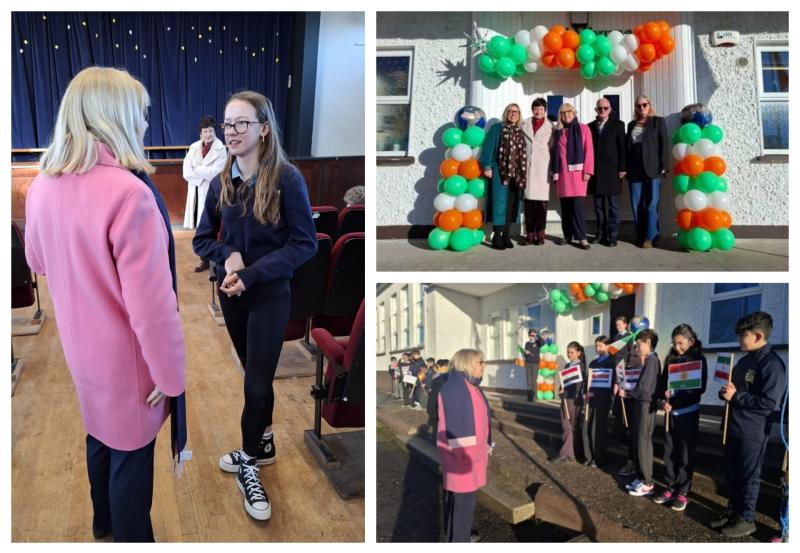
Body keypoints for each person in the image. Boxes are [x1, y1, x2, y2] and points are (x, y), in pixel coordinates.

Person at [24, 66, 186, 542]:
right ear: (115, 116)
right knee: (131, 461)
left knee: (99, 439)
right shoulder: (129, 194)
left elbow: (38, 260)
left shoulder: (42, 186)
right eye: (140, 114)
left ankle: (104, 527)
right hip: (128, 362)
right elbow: (153, 310)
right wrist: (171, 376)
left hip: (81, 351)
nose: (144, 125)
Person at [192, 90, 317, 521]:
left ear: (264, 128)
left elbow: (305, 244)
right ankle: (262, 445)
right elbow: (201, 239)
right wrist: (227, 257)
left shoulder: (287, 178)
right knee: (253, 377)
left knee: (257, 384)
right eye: (228, 124)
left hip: (270, 294)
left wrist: (251, 273)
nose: (232, 131)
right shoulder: (219, 182)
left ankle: (248, 461)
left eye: (241, 123)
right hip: (233, 297)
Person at [712, 312, 786, 537]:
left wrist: (736, 397)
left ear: (758, 335)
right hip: (733, 426)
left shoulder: (772, 364)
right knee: (733, 474)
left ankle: (747, 518)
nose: (739, 340)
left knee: (748, 475)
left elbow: (768, 403)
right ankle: (734, 511)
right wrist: (725, 392)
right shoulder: (744, 360)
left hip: (752, 431)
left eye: (743, 336)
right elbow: (733, 390)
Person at [437, 349, 492, 542]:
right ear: (468, 363)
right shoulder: (456, 388)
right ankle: (459, 540)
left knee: (462, 504)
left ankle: (458, 537)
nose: (483, 365)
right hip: (464, 459)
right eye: (480, 362)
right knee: (464, 506)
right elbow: (458, 428)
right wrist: (467, 457)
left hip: (470, 457)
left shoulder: (469, 385)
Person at [652, 324, 707, 511]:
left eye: (680, 343)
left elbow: (699, 389)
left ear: (691, 341)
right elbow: (661, 386)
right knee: (668, 453)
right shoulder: (671, 359)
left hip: (688, 413)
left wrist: (675, 394)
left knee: (684, 453)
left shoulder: (699, 360)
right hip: (671, 414)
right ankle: (670, 487)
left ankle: (683, 492)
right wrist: (662, 401)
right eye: (674, 343)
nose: (677, 347)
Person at [183, 115, 227, 271]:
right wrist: (201, 176)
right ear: (200, 134)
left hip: (212, 191)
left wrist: (198, 170)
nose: (208, 134)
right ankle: (204, 259)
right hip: (196, 189)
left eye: (211, 131)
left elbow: (217, 172)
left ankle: (214, 259)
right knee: (199, 227)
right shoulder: (194, 147)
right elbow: (186, 172)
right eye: (205, 131)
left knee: (212, 225)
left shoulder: (221, 149)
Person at [625, 95, 670, 248]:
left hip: (653, 167)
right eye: (638, 106)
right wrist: (625, 168)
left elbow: (664, 144)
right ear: (635, 108)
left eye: (644, 105)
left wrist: (664, 166)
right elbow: (628, 148)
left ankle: (651, 237)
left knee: (651, 203)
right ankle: (640, 235)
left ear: (649, 105)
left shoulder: (658, 121)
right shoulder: (631, 125)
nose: (642, 108)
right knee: (636, 203)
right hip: (634, 168)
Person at [620, 328, 660, 497]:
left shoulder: (652, 360)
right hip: (641, 405)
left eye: (640, 344)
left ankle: (648, 482)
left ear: (648, 343)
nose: (638, 347)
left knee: (643, 443)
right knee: (638, 440)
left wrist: (628, 393)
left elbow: (644, 388)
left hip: (645, 405)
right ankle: (641, 477)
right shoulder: (649, 360)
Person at [480, 103, 526, 250]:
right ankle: (497, 236)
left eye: (516, 112)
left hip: (516, 174)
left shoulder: (519, 131)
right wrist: (487, 166)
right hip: (500, 172)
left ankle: (506, 235)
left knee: (511, 205)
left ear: (519, 116)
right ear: (506, 113)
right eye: (511, 111)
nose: (513, 114)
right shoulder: (497, 129)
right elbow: (487, 148)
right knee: (499, 204)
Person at [550, 103, 594, 250]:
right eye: (563, 113)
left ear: (574, 113)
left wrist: (588, 171)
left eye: (569, 111)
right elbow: (553, 153)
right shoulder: (558, 132)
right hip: (562, 175)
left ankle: (582, 237)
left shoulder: (584, 128)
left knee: (578, 208)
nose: (566, 115)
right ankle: (568, 235)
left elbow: (589, 151)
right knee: (566, 208)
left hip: (578, 175)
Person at [587, 98, 626, 247]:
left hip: (613, 172)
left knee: (613, 206)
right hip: (596, 172)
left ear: (610, 109)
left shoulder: (618, 125)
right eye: (599, 108)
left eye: (605, 108)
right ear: (596, 110)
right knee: (598, 206)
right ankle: (600, 233)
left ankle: (613, 234)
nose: (602, 110)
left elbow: (622, 147)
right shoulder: (590, 127)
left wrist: (623, 167)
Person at [521, 98, 554, 245]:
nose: (538, 111)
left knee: (541, 203)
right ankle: (530, 233)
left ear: (545, 110)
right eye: (536, 108)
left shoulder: (551, 127)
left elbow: (553, 147)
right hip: (528, 166)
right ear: (532, 109)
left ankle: (540, 233)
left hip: (543, 166)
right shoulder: (524, 124)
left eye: (541, 109)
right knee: (529, 203)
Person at [582, 336, 616, 467]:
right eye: (596, 346)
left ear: (608, 346)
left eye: (600, 346)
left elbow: (610, 384)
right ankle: (588, 455)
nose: (597, 348)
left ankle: (598, 458)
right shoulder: (593, 363)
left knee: (598, 429)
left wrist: (595, 393)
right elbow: (587, 380)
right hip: (591, 400)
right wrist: (586, 392)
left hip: (602, 400)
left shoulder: (611, 363)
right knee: (586, 427)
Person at [612, 316, 639, 477]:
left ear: (626, 325)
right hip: (618, 369)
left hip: (625, 372)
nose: (617, 326)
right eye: (616, 324)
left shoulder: (630, 337)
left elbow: (630, 355)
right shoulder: (616, 337)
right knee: (617, 402)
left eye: (619, 324)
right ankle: (618, 416)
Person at [550, 341, 586, 463]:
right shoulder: (567, 366)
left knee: (572, 426)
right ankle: (567, 452)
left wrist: (576, 395)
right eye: (568, 352)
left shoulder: (581, 366)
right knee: (566, 425)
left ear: (578, 353)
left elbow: (580, 385)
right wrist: (560, 390)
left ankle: (573, 452)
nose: (569, 355)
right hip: (565, 399)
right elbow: (563, 382)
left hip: (574, 400)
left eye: (572, 352)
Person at [524, 328, 545, 402]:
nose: (532, 336)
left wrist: (537, 336)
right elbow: (525, 354)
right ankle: (529, 397)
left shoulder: (538, 343)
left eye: (533, 335)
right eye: (530, 335)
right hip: (527, 363)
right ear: (528, 335)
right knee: (529, 380)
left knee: (533, 380)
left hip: (535, 364)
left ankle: (535, 396)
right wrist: (525, 353)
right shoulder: (527, 343)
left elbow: (543, 343)